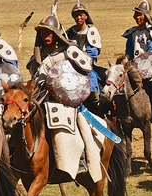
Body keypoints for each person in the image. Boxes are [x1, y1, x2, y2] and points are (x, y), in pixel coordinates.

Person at [27, 14, 102, 181]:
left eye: (48, 33)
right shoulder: (38, 58)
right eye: (42, 33)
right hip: (41, 100)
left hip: (65, 102)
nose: (45, 36)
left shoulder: (69, 52)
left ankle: (81, 160)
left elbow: (86, 67)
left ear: (56, 34)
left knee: (63, 131)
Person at [66, 0, 103, 112]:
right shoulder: (69, 32)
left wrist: (81, 59)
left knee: (91, 81)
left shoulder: (91, 31)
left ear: (86, 16)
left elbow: (93, 54)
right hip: (71, 66)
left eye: (81, 15)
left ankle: (96, 102)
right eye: (76, 15)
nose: (78, 18)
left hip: (87, 66)